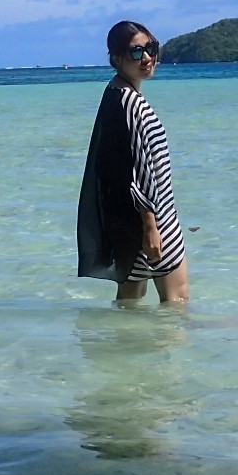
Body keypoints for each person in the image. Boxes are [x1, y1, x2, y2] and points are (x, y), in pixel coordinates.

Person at [77, 20, 188, 304]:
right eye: (136, 52)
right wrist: (151, 228)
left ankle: (124, 347)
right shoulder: (131, 103)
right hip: (153, 219)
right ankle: (176, 347)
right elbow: (139, 170)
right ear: (116, 59)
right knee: (177, 300)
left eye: (151, 48)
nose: (148, 58)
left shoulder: (115, 92)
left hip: (127, 221)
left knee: (130, 301)